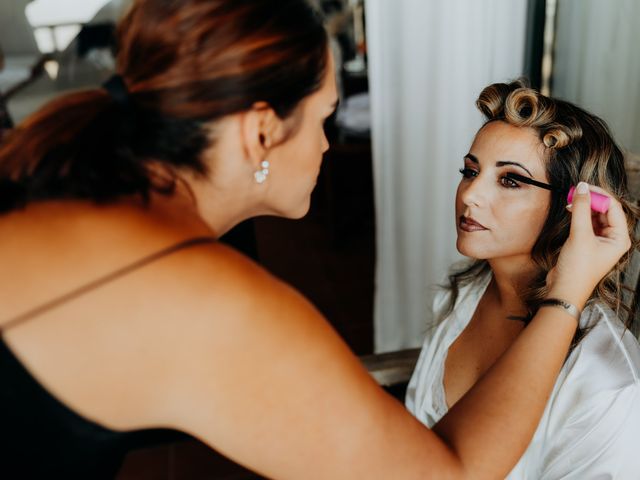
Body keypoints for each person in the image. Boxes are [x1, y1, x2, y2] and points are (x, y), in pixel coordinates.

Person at [0, 1, 630, 478]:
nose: (329, 143)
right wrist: (567, 292)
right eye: (324, 117)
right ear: (261, 133)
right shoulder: (203, 300)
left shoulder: (56, 188)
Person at [406, 80, 640, 479]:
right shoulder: (462, 295)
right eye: (470, 171)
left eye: (510, 180)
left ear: (574, 207)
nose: (470, 195)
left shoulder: (606, 383)